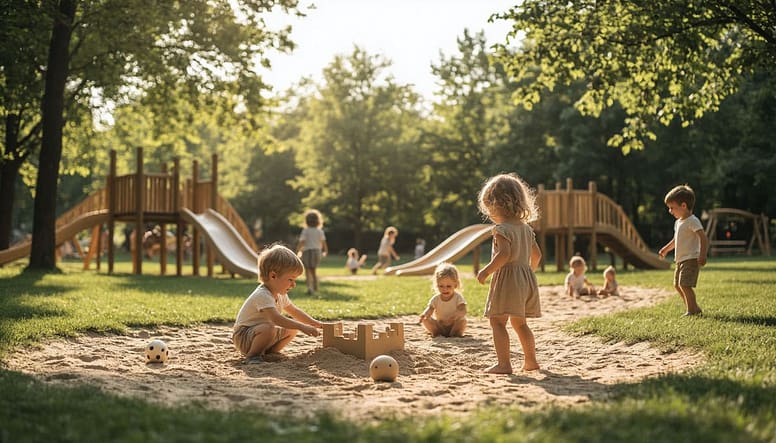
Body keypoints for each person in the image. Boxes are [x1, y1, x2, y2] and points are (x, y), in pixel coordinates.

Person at [476, 173, 542, 374]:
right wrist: (526, 273)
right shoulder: (526, 229)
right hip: (524, 278)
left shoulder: (501, 229)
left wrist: (486, 271)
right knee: (520, 323)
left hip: (508, 278)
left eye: (489, 208)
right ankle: (531, 361)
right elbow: (537, 256)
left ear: (497, 204)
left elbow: (504, 254)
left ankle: (504, 364)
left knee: (497, 320)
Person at [232, 244, 323, 362]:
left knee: (292, 329)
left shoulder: (281, 294)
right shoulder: (263, 294)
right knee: (269, 328)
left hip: (261, 333)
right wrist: (302, 326)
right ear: (273, 276)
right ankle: (253, 355)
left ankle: (270, 352)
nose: (293, 285)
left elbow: (294, 311)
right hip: (244, 336)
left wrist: (313, 323)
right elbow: (276, 319)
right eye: (290, 279)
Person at [658, 184, 707, 316]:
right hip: (680, 260)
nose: (670, 211)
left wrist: (702, 255)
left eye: (672, 208)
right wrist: (666, 249)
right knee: (677, 285)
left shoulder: (693, 221)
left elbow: (703, 238)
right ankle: (694, 308)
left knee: (685, 285)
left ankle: (691, 311)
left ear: (684, 206)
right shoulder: (678, 222)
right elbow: (676, 240)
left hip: (691, 258)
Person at [419, 263, 467, 337]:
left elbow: (463, 310)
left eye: (448, 286)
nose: (445, 289)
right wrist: (425, 314)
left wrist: (457, 314)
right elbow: (430, 308)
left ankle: (455, 334)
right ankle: (436, 333)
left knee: (462, 320)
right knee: (426, 320)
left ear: (455, 285)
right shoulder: (436, 299)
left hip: (454, 325)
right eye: (441, 286)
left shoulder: (458, 298)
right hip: (440, 326)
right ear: (436, 285)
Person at [296, 209, 328, 294]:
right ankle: (315, 287)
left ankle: (309, 288)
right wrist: (325, 251)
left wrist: (297, 250)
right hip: (317, 252)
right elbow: (323, 242)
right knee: (314, 270)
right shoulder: (319, 231)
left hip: (307, 251)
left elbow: (302, 242)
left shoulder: (306, 231)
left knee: (307, 270)